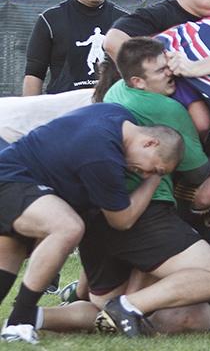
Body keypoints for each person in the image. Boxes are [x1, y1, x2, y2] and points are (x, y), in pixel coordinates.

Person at [0, 102, 183, 344]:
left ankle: (17, 322)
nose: (145, 174)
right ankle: (19, 322)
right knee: (66, 227)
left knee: (10, 255)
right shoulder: (103, 155)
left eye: (155, 174)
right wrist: (154, 181)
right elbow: (122, 220)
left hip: (21, 180)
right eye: (156, 169)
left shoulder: (116, 114)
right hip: (11, 179)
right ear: (150, 143)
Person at [22, 0, 127, 95]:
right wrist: (32, 114)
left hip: (109, 104)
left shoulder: (124, 21)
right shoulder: (50, 19)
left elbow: (138, 70)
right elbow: (34, 73)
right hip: (63, 106)